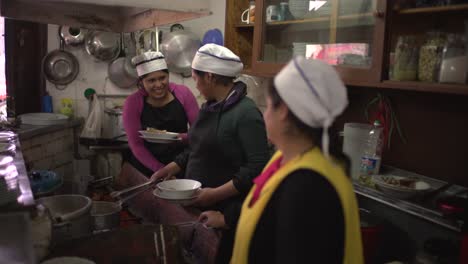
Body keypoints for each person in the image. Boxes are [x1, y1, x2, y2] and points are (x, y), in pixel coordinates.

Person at [228, 57, 364, 263]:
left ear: (283, 110)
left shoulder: (309, 186)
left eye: (269, 106)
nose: (264, 115)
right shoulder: (287, 158)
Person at [151, 44, 270, 263]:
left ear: (209, 77)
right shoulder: (210, 106)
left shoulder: (246, 113)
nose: (195, 85)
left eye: (195, 78)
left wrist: (214, 194)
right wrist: (170, 168)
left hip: (227, 214)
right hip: (201, 205)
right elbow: (196, 147)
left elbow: (257, 169)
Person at [122, 51, 199, 177]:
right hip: (146, 167)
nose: (158, 85)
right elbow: (136, 145)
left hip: (180, 164)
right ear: (141, 82)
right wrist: (160, 170)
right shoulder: (133, 103)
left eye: (162, 78)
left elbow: (198, 134)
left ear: (168, 76)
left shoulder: (183, 93)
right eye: (151, 80)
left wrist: (178, 137)